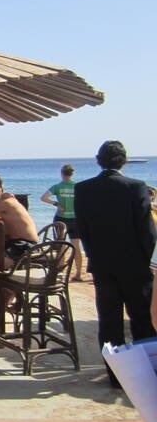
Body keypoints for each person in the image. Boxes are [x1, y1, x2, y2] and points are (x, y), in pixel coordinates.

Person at [75, 140, 157, 388]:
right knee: (142, 320)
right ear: (124, 161)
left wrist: (94, 255)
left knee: (109, 322)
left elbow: (83, 230)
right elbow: (147, 231)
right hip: (134, 266)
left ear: (99, 161)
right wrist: (146, 260)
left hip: (103, 266)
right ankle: (147, 374)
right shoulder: (135, 187)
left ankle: (116, 376)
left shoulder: (84, 189)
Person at [40, 163, 84, 280]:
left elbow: (43, 198)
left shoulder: (58, 187)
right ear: (72, 174)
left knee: (61, 246)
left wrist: (56, 204)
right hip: (75, 218)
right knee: (76, 247)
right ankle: (78, 273)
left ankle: (61, 272)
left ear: (62, 174)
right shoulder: (77, 186)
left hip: (61, 219)